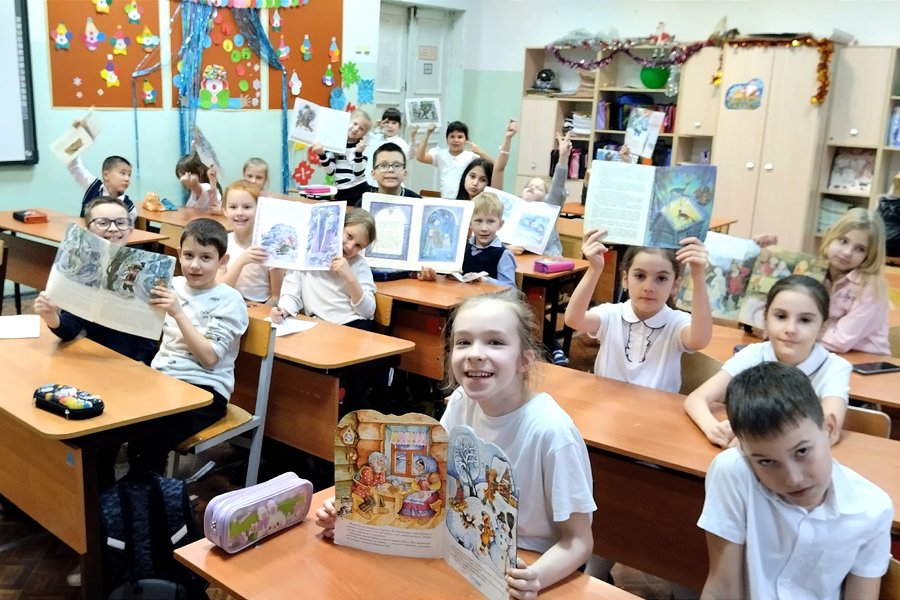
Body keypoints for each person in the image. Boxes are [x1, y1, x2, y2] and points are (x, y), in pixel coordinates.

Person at [315, 291, 597, 599]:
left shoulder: (553, 433)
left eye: (495, 342)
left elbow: (578, 542)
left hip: (526, 568)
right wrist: (352, 520)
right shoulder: (462, 401)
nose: (475, 353)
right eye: (463, 342)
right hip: (465, 552)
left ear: (524, 360)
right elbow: (438, 490)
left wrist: (534, 578)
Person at [698, 362, 893, 600]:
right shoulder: (733, 473)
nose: (793, 479)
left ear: (829, 429)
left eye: (802, 451)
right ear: (744, 450)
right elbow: (721, 591)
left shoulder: (873, 509)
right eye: (767, 462)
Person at [683, 275, 852, 448]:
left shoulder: (835, 368)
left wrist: (753, 437)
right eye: (781, 316)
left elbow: (828, 428)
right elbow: (696, 398)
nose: (790, 329)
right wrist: (712, 428)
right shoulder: (752, 355)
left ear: (823, 327)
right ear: (765, 319)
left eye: (805, 320)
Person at [135, 218, 249, 475]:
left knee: (151, 436)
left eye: (206, 258)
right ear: (179, 254)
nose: (195, 265)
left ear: (222, 261)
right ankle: (118, 491)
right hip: (163, 380)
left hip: (205, 391)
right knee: (115, 422)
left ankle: (149, 493)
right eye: (189, 255)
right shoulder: (172, 285)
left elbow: (209, 358)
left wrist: (178, 313)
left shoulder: (230, 300)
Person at [564, 229, 713, 394]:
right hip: (607, 403)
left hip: (656, 407)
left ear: (675, 286)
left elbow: (700, 340)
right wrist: (595, 268)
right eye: (640, 276)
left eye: (661, 278)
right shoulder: (612, 314)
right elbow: (573, 320)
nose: (649, 287)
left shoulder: (676, 322)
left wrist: (698, 276)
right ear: (625, 279)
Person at [34, 197, 157, 365]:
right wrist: (51, 317)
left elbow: (149, 334)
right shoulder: (83, 268)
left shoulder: (146, 268)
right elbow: (70, 329)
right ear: (88, 230)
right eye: (102, 223)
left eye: (121, 222)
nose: (113, 228)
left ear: (130, 229)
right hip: (95, 357)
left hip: (136, 362)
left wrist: (142, 361)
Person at [754, 208, 890, 354]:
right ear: (829, 236)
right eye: (843, 241)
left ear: (870, 255)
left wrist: (780, 332)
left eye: (860, 249)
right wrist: (760, 253)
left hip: (863, 359)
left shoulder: (870, 287)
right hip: (813, 351)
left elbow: (840, 341)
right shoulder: (813, 270)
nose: (847, 252)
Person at [271, 209, 377, 329]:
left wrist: (350, 278)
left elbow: (368, 312)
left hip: (353, 324)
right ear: (338, 227)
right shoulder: (305, 256)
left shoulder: (359, 264)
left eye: (358, 246)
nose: (349, 246)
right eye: (349, 236)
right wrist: (282, 310)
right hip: (319, 325)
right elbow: (291, 294)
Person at [506, 132, 588, 257]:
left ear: (547, 196)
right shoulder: (514, 208)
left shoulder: (548, 207)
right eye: (529, 186)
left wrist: (563, 158)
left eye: (538, 188)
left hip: (547, 260)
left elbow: (557, 187)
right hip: (520, 259)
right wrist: (507, 248)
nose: (532, 188)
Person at [417, 192, 516, 289]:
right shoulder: (461, 247)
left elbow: (511, 290)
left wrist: (486, 280)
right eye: (478, 221)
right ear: (470, 224)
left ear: (500, 224)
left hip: (487, 299)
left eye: (490, 221)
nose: (484, 228)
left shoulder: (503, 254)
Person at [217, 180, 285, 304]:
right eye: (233, 207)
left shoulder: (269, 246)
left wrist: (261, 312)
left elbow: (276, 296)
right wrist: (241, 261)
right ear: (225, 210)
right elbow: (219, 291)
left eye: (247, 207)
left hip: (260, 307)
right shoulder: (222, 243)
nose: (239, 213)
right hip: (228, 305)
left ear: (259, 209)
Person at [414, 121, 488, 198]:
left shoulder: (471, 156)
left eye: (460, 137)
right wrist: (428, 133)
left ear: (466, 140)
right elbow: (420, 157)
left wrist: (481, 152)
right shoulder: (440, 154)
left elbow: (493, 166)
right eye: (452, 137)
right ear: (447, 139)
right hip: (445, 198)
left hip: (464, 199)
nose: (456, 140)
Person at [67, 142, 136, 224]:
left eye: (129, 175)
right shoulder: (93, 186)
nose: (127, 179)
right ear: (106, 175)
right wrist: (78, 139)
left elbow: (129, 230)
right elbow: (73, 165)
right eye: (123, 173)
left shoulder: (129, 207)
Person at [315, 109, 372, 206]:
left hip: (359, 190)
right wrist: (321, 154)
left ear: (364, 134)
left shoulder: (363, 148)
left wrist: (358, 153)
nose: (356, 128)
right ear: (348, 121)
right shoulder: (334, 144)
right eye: (355, 123)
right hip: (341, 192)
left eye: (361, 129)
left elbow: (358, 174)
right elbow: (330, 172)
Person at [364, 108, 413, 187]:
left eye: (394, 123)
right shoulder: (376, 138)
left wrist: (413, 137)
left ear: (400, 125)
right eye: (387, 122)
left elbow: (410, 154)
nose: (390, 126)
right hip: (370, 182)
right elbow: (362, 135)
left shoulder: (401, 143)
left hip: (390, 184)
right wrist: (374, 125)